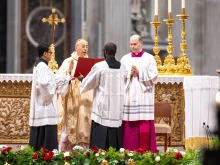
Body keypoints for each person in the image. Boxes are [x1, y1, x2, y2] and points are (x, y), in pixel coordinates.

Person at [80, 43, 124, 150]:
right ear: (115, 52)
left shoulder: (100, 66)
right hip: (117, 108)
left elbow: (88, 83)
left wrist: (81, 79)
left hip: (102, 108)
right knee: (115, 134)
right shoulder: (123, 67)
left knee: (100, 139)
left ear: (105, 52)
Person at [29, 43, 73, 151]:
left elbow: (52, 78)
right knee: (46, 134)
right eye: (50, 52)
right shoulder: (42, 67)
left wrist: (67, 78)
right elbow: (44, 84)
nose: (51, 55)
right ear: (45, 54)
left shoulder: (40, 65)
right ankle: (48, 156)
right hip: (45, 107)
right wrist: (54, 87)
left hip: (42, 106)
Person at [120, 35, 158, 152]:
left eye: (135, 44)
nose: (133, 46)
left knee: (143, 121)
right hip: (130, 92)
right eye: (131, 44)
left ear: (141, 43)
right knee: (129, 121)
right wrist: (129, 74)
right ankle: (128, 148)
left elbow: (154, 76)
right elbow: (120, 75)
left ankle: (145, 149)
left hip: (143, 94)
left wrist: (139, 73)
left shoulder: (149, 58)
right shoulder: (125, 59)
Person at [57, 39, 93, 151]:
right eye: (83, 46)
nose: (85, 49)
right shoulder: (68, 62)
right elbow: (59, 78)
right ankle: (68, 151)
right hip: (72, 97)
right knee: (71, 123)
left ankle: (84, 150)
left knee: (84, 122)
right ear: (75, 47)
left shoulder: (91, 62)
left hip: (86, 98)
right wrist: (69, 74)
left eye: (86, 46)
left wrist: (84, 77)